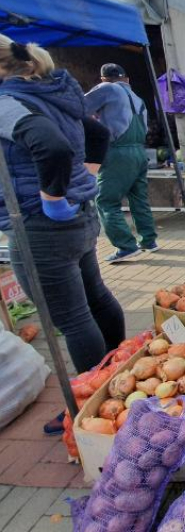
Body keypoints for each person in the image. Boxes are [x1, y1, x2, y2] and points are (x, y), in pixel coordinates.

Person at [0, 36, 125, 431]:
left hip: (41, 223)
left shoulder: (7, 102)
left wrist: (53, 198)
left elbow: (50, 146)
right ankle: (120, 371)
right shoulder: (50, 91)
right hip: (79, 217)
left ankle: (90, 401)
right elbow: (98, 135)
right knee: (96, 298)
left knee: (71, 319)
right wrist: (82, 182)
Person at [84, 63, 158, 263]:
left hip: (117, 152)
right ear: (126, 79)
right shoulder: (138, 98)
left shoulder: (106, 89)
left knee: (106, 201)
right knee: (139, 199)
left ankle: (126, 246)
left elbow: (79, 108)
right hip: (139, 152)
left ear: (103, 79)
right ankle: (149, 241)